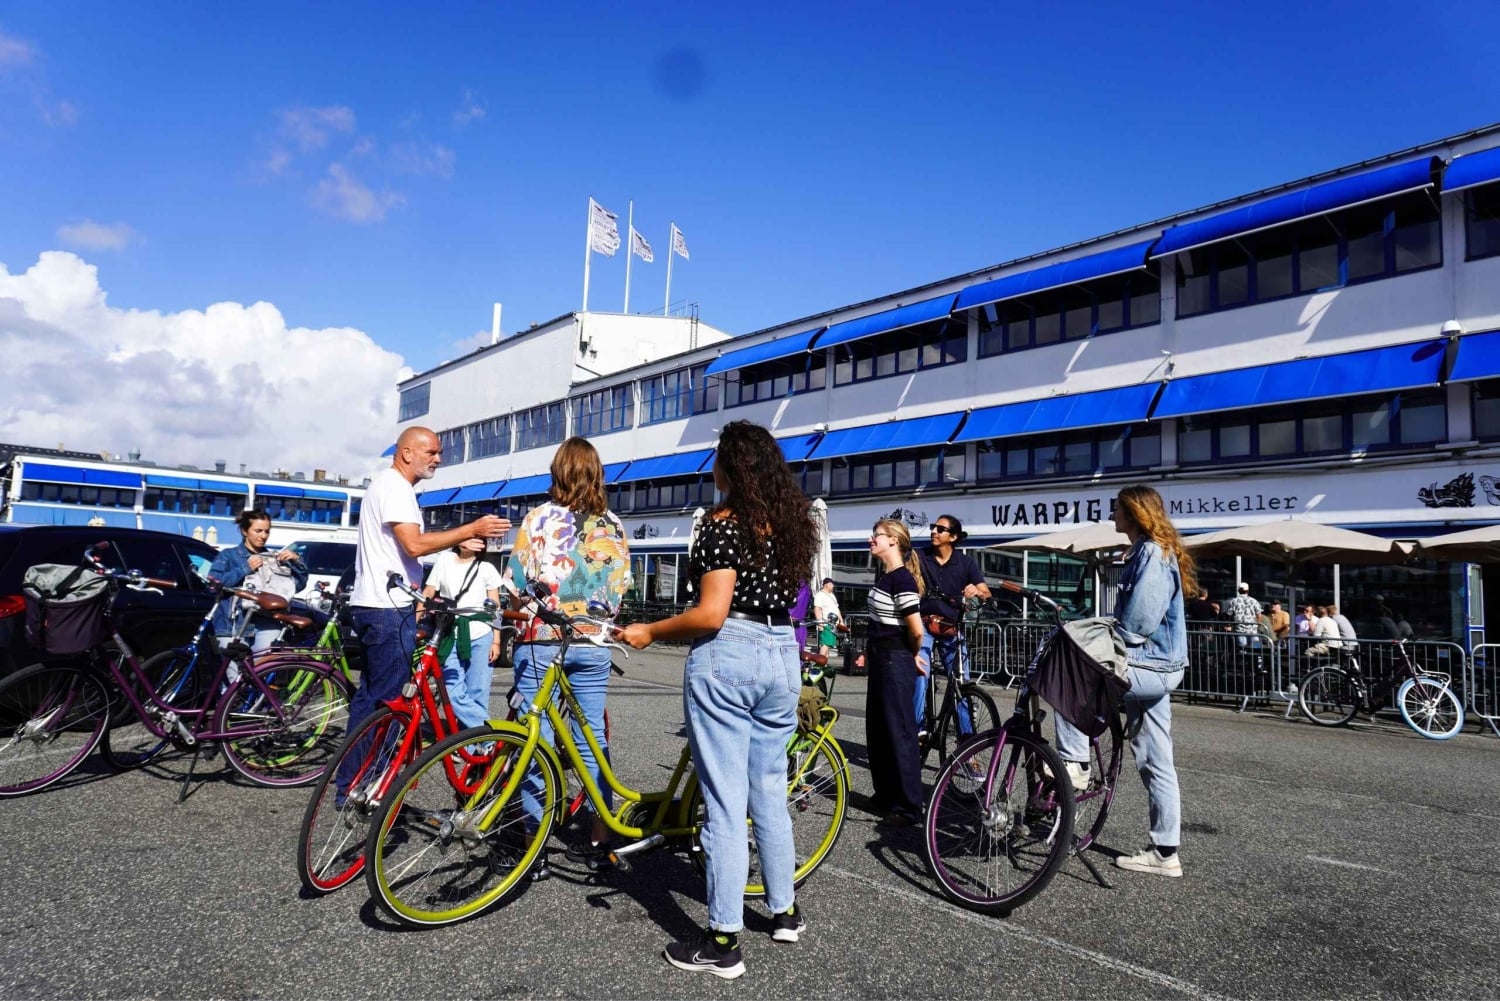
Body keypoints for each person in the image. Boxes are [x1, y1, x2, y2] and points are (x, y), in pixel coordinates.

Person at [617, 420, 816, 979]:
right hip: (782, 655)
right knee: (768, 792)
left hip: (730, 654)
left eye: (717, 458)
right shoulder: (791, 526)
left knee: (725, 804)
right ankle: (785, 912)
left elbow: (711, 614)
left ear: (730, 467)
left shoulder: (721, 526)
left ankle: (723, 939)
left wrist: (650, 631)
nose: (712, 467)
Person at [1055, 484, 1193, 878]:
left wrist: (1094, 634)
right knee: (1156, 759)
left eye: (1116, 508)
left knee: (1074, 673)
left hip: (1151, 666)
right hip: (1158, 666)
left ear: (1134, 512)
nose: (1112, 514)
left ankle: (1076, 763)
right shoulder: (1146, 551)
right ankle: (1165, 853)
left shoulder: (1151, 552)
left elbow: (1137, 625)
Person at [507, 436, 631, 861]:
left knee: (534, 741)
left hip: (543, 640)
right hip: (593, 642)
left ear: (557, 471)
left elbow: (517, 589)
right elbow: (619, 587)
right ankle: (601, 836)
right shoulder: (612, 524)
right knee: (591, 740)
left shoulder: (538, 519)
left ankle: (533, 844)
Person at [346, 426, 510, 734]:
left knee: (370, 699)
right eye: (431, 452)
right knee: (388, 703)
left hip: (374, 605)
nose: (438, 459)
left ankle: (354, 777)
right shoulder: (396, 487)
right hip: (387, 609)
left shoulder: (385, 484)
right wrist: (471, 529)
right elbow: (414, 545)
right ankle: (373, 776)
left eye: (439, 453)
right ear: (406, 453)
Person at [865, 518, 928, 829]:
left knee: (899, 731)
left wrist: (911, 655)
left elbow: (916, 629)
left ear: (893, 540)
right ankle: (886, 795)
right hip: (883, 657)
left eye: (877, 535)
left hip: (893, 659)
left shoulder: (901, 580)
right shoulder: (887, 576)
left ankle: (908, 806)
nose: (871, 540)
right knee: (878, 728)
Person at [915, 515, 991, 730]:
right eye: (933, 527)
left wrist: (977, 590)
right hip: (923, 623)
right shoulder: (920, 556)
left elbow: (986, 592)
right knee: (920, 672)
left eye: (940, 529)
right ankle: (917, 730)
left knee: (961, 680)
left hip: (951, 625)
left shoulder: (965, 562)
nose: (934, 532)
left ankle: (968, 744)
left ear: (953, 536)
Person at [420, 536, 503, 729]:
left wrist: (496, 640)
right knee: (450, 690)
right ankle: (490, 732)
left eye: (477, 539)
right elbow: (428, 591)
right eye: (469, 536)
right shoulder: (444, 560)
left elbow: (495, 608)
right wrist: (415, 621)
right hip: (450, 631)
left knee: (477, 692)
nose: (472, 541)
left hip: (482, 634)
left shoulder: (486, 568)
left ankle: (473, 748)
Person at [208, 508, 307, 651]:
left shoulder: (273, 558)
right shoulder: (228, 555)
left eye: (267, 531)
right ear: (244, 531)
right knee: (234, 672)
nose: (263, 536)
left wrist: (297, 561)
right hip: (234, 625)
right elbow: (213, 584)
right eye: (258, 531)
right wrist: (245, 568)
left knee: (262, 671)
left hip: (268, 622)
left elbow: (296, 586)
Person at [812, 577, 844, 657]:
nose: (833, 586)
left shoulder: (832, 595)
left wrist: (841, 621)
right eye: (832, 584)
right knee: (825, 645)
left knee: (828, 646)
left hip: (834, 625)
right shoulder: (820, 595)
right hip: (826, 624)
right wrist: (820, 624)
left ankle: (824, 666)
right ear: (827, 585)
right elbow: (817, 609)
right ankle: (819, 665)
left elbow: (837, 609)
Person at [1224, 582, 1261, 647]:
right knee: (1256, 647)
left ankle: (1243, 656)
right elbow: (1259, 614)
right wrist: (1257, 624)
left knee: (1242, 649)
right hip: (1253, 629)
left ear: (1238, 590)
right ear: (1248, 590)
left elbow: (1229, 614)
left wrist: (1230, 625)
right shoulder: (1254, 601)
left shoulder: (1233, 601)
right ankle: (1258, 657)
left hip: (1239, 629)